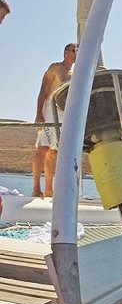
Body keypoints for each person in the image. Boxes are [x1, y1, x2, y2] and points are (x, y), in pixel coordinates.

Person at [32, 43, 76, 197]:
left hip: (62, 113)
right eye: (73, 50)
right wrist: (39, 113)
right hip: (49, 108)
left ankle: (49, 189)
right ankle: (36, 188)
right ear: (65, 52)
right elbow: (43, 90)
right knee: (43, 148)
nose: (75, 53)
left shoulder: (74, 74)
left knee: (54, 152)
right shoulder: (55, 68)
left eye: (78, 51)